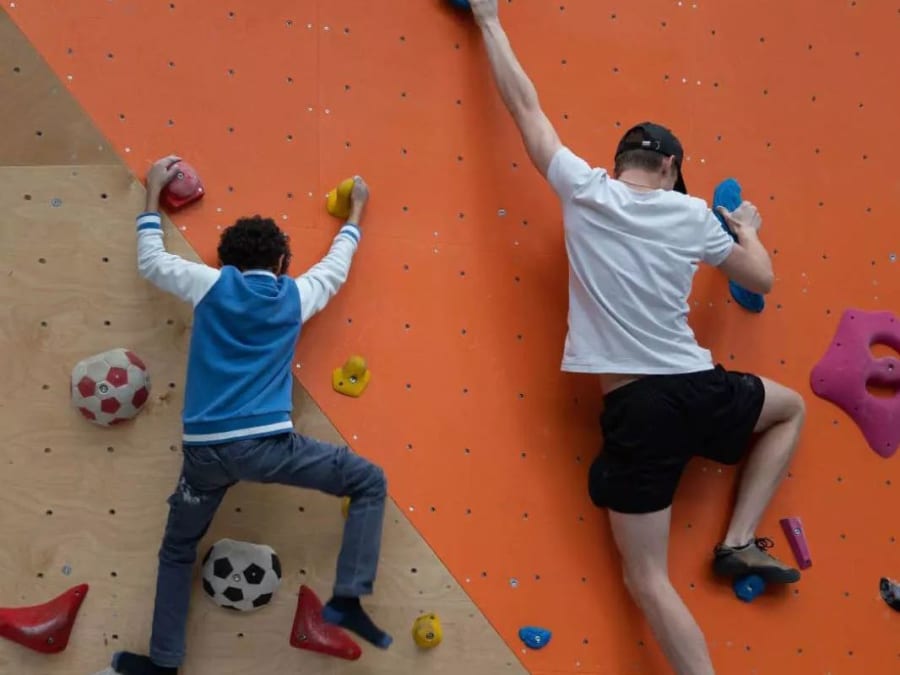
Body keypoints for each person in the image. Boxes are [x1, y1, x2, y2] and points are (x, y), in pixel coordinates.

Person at [468, 2, 806, 673]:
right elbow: (761, 279)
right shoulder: (691, 214)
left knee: (647, 580)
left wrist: (488, 20)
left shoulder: (584, 188)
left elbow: (525, 109)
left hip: (640, 410)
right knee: (789, 406)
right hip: (700, 388)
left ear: (620, 160)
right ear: (675, 167)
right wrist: (745, 227)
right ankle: (738, 537)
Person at [110, 156, 392, 675]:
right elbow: (336, 266)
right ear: (284, 263)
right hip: (268, 449)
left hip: (204, 455)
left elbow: (152, 261)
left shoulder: (210, 285)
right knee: (369, 481)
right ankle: (349, 596)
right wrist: (355, 213)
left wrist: (153, 193)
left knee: (177, 551)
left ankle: (164, 664)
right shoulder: (296, 295)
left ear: (225, 263)